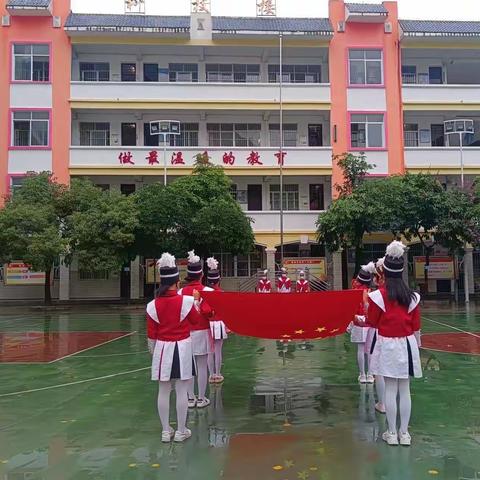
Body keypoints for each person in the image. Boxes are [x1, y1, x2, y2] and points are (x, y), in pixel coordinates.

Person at [368, 241, 422, 447]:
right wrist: (417, 347)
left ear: (386, 272)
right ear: (401, 272)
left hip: (387, 344)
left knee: (390, 388)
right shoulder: (413, 296)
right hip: (407, 344)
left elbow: (372, 322)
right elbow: (416, 326)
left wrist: (356, 319)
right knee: (405, 388)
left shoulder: (378, 296)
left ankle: (391, 433)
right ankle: (405, 434)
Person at [146, 253, 200, 443]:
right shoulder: (185, 302)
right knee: (181, 389)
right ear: (177, 281)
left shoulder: (152, 306)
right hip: (183, 348)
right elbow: (196, 320)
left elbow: (151, 335)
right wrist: (196, 302)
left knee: (163, 390)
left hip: (162, 349)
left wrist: (155, 353)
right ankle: (181, 430)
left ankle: (165, 430)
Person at [178, 250, 214, 409]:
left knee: (188, 365)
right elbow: (212, 313)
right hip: (202, 331)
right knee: (201, 365)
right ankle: (201, 398)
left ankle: (190, 398)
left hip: (186, 333)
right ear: (201, 275)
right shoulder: (209, 291)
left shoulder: (180, 292)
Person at [349, 262, 376, 384]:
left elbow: (349, 308)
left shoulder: (354, 291)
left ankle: (362, 375)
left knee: (360, 349)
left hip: (357, 322)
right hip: (370, 323)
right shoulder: (372, 293)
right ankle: (370, 375)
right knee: (369, 350)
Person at [366, 256, 386, 414]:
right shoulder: (409, 294)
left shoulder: (377, 296)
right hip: (402, 339)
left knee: (379, 371)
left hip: (380, 335)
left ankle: (383, 403)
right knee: (400, 382)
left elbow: (371, 320)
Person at [206, 257, 228, 384]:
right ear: (219, 279)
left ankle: (211, 375)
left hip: (208, 323)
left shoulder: (204, 292)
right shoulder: (222, 293)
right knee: (218, 350)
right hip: (219, 323)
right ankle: (218, 374)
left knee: (210, 350)